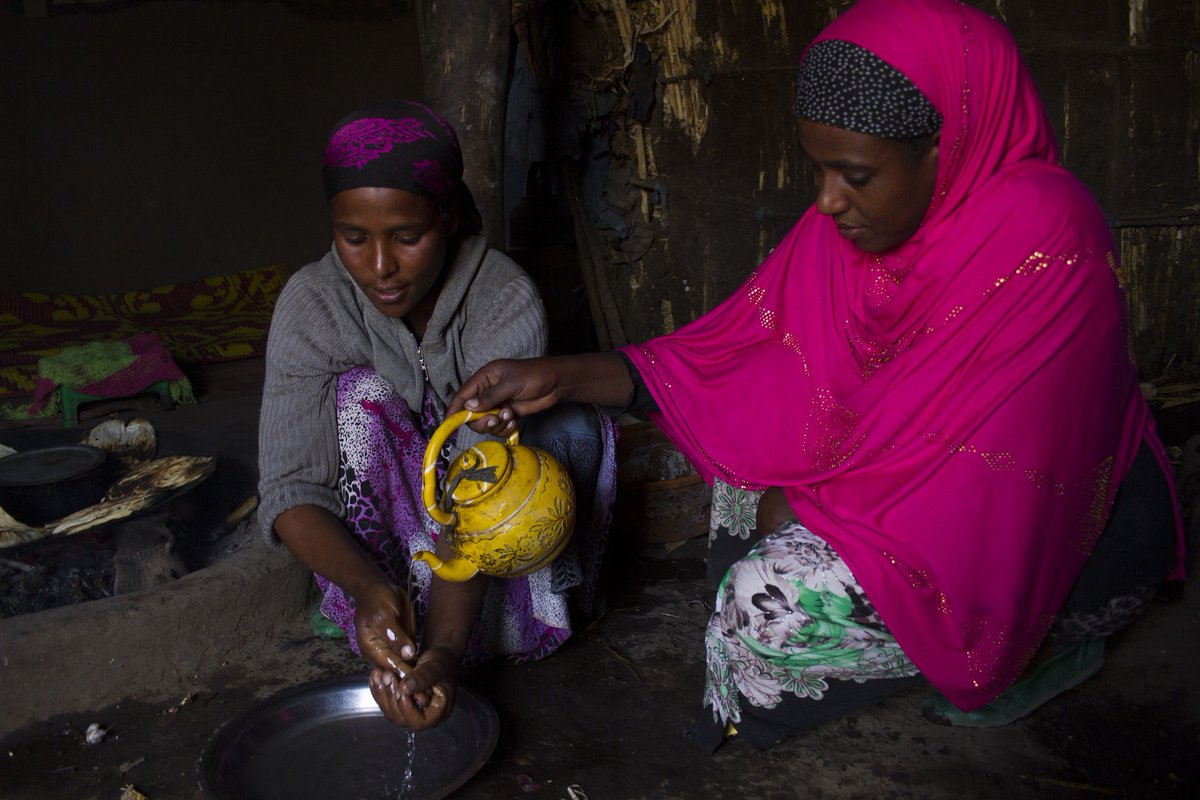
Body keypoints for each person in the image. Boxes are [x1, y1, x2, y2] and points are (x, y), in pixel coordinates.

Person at [447, 0, 1186, 751]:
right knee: (744, 460)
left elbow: (991, 479)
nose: (829, 200)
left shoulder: (1048, 237)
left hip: (1064, 549)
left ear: (946, 146)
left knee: (759, 604)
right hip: (905, 500)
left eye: (855, 175)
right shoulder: (856, 231)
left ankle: (1037, 653)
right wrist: (561, 377)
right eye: (819, 168)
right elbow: (744, 366)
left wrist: (811, 508)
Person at [257, 100, 618, 730]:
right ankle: (392, 604)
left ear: (448, 217)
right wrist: (369, 589)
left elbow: (483, 484)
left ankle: (501, 622)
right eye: (353, 238)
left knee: (567, 430)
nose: (379, 268)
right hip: (390, 565)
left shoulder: (502, 297)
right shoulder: (312, 306)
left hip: (479, 546)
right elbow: (289, 488)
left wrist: (446, 652)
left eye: (406, 237)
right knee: (359, 396)